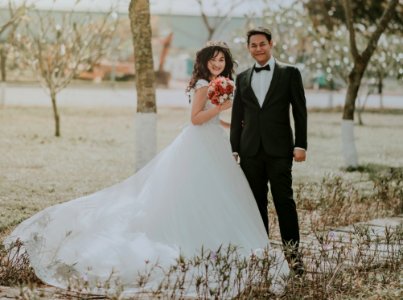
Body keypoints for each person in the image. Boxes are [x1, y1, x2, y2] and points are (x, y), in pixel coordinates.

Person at [4, 41, 289, 295]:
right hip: (199, 144)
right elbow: (196, 119)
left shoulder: (212, 84)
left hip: (211, 141)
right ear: (203, 62)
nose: (218, 64)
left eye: (222, 60)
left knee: (212, 195)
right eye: (213, 60)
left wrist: (234, 123)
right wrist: (222, 107)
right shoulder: (204, 85)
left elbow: (210, 120)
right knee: (196, 193)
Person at [230, 27, 308, 275]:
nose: (258, 49)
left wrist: (301, 144)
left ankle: (294, 260)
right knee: (256, 204)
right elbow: (237, 117)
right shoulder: (241, 78)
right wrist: (234, 148)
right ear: (248, 48)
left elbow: (299, 110)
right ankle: (261, 258)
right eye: (253, 45)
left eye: (262, 44)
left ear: (271, 44)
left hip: (280, 150)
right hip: (250, 150)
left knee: (284, 202)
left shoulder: (290, 73)